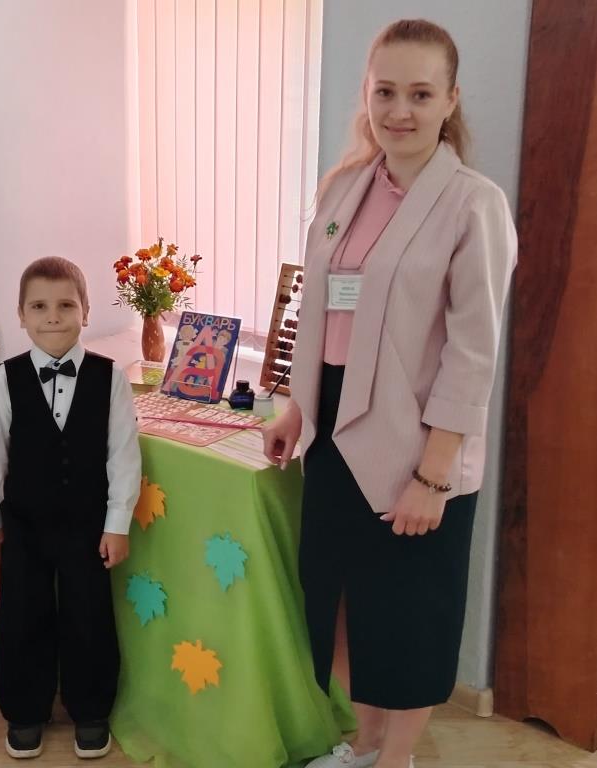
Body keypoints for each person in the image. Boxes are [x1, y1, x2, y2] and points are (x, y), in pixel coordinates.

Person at [261, 19, 517, 768]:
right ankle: (364, 743)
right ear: (366, 94)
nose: (399, 111)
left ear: (450, 100)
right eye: (385, 92)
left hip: (418, 439)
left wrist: (433, 477)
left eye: (420, 94)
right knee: (341, 600)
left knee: (408, 614)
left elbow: (473, 354)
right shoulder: (343, 188)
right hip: (332, 425)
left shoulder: (473, 205)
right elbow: (320, 312)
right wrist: (297, 406)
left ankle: (397, 759)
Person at [0, 256, 141, 760]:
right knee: (23, 615)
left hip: (88, 525)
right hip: (24, 523)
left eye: (66, 305)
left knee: (89, 614)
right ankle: (25, 710)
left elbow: (123, 455)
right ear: (21, 315)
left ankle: (92, 709)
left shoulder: (111, 378)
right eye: (39, 307)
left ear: (86, 311)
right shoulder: (5, 379)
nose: (53, 317)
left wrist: (118, 524)